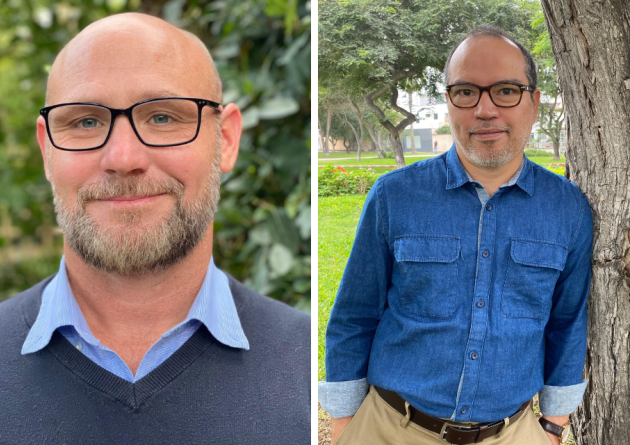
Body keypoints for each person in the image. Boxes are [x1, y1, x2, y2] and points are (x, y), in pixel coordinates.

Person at [0, 13, 309, 444]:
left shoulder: (307, 373)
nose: (123, 157)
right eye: (86, 122)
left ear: (226, 141)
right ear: (47, 150)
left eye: (162, 118)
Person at [319, 25, 592, 445]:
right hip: (390, 428)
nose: (485, 110)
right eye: (466, 91)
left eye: (505, 90)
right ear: (449, 101)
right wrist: (345, 425)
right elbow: (355, 314)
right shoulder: (395, 195)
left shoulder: (568, 208)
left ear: (534, 103)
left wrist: (554, 426)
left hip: (514, 433)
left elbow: (567, 322)